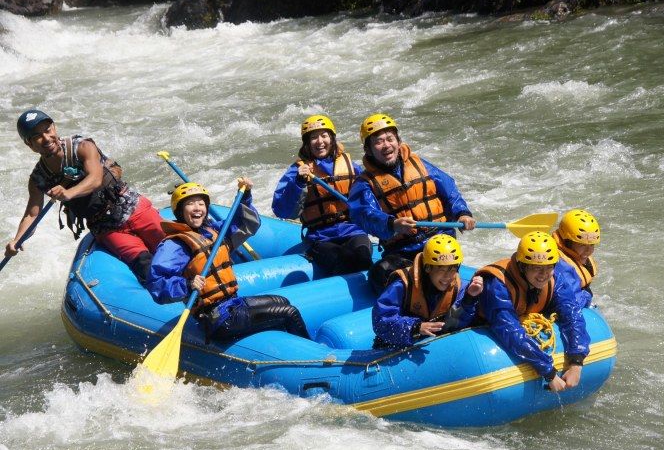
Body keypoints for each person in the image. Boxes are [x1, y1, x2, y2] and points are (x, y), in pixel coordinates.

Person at [5, 109, 164, 283]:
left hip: (132, 207)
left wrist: (68, 193)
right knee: (145, 266)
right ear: (29, 144)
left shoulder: (82, 146)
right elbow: (32, 215)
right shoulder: (38, 178)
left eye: (48, 130)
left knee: (171, 251)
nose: (46, 138)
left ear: (54, 128)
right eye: (37, 136)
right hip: (105, 227)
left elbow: (95, 179)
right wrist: (17, 240)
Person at [147, 180, 310, 342]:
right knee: (289, 312)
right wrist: (187, 285)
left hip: (232, 304)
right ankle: (309, 358)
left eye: (201, 203)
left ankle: (280, 342)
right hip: (216, 318)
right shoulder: (175, 245)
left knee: (281, 301)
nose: (197, 208)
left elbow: (246, 223)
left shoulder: (213, 232)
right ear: (179, 211)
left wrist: (245, 196)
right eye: (190, 204)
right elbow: (157, 284)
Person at [347, 113, 476, 294]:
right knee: (380, 273)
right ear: (368, 150)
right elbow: (363, 214)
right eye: (379, 141)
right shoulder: (365, 183)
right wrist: (391, 224)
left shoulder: (420, 165)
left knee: (434, 270)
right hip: (403, 250)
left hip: (438, 242)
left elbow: (450, 192)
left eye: (390, 139)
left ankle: (445, 294)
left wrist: (462, 213)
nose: (386, 145)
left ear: (398, 142)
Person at [477, 231, 591, 392]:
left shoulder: (554, 278)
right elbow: (510, 331)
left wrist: (576, 361)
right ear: (522, 266)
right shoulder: (496, 285)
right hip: (482, 323)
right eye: (537, 268)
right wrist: (549, 373)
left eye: (548, 267)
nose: (543, 275)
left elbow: (571, 314)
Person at [272, 114, 373, 275]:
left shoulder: (349, 166)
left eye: (324, 135)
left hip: (352, 230)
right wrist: (298, 182)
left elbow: (370, 198)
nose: (320, 141)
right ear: (307, 143)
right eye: (314, 137)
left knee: (362, 258)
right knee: (343, 262)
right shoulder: (297, 171)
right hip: (320, 237)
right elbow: (282, 211)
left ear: (332, 139)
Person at [373, 234, 483, 348]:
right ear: (427, 268)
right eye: (442, 269)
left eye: (453, 269)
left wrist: (470, 298)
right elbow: (380, 321)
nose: (448, 276)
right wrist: (415, 327)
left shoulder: (459, 287)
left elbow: (457, 322)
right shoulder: (402, 285)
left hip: (432, 345)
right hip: (397, 345)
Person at [552, 209, 600, 309]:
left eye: (591, 245)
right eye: (582, 245)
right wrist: (587, 295)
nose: (588, 250)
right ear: (567, 242)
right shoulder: (560, 265)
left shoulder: (574, 254)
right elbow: (572, 302)